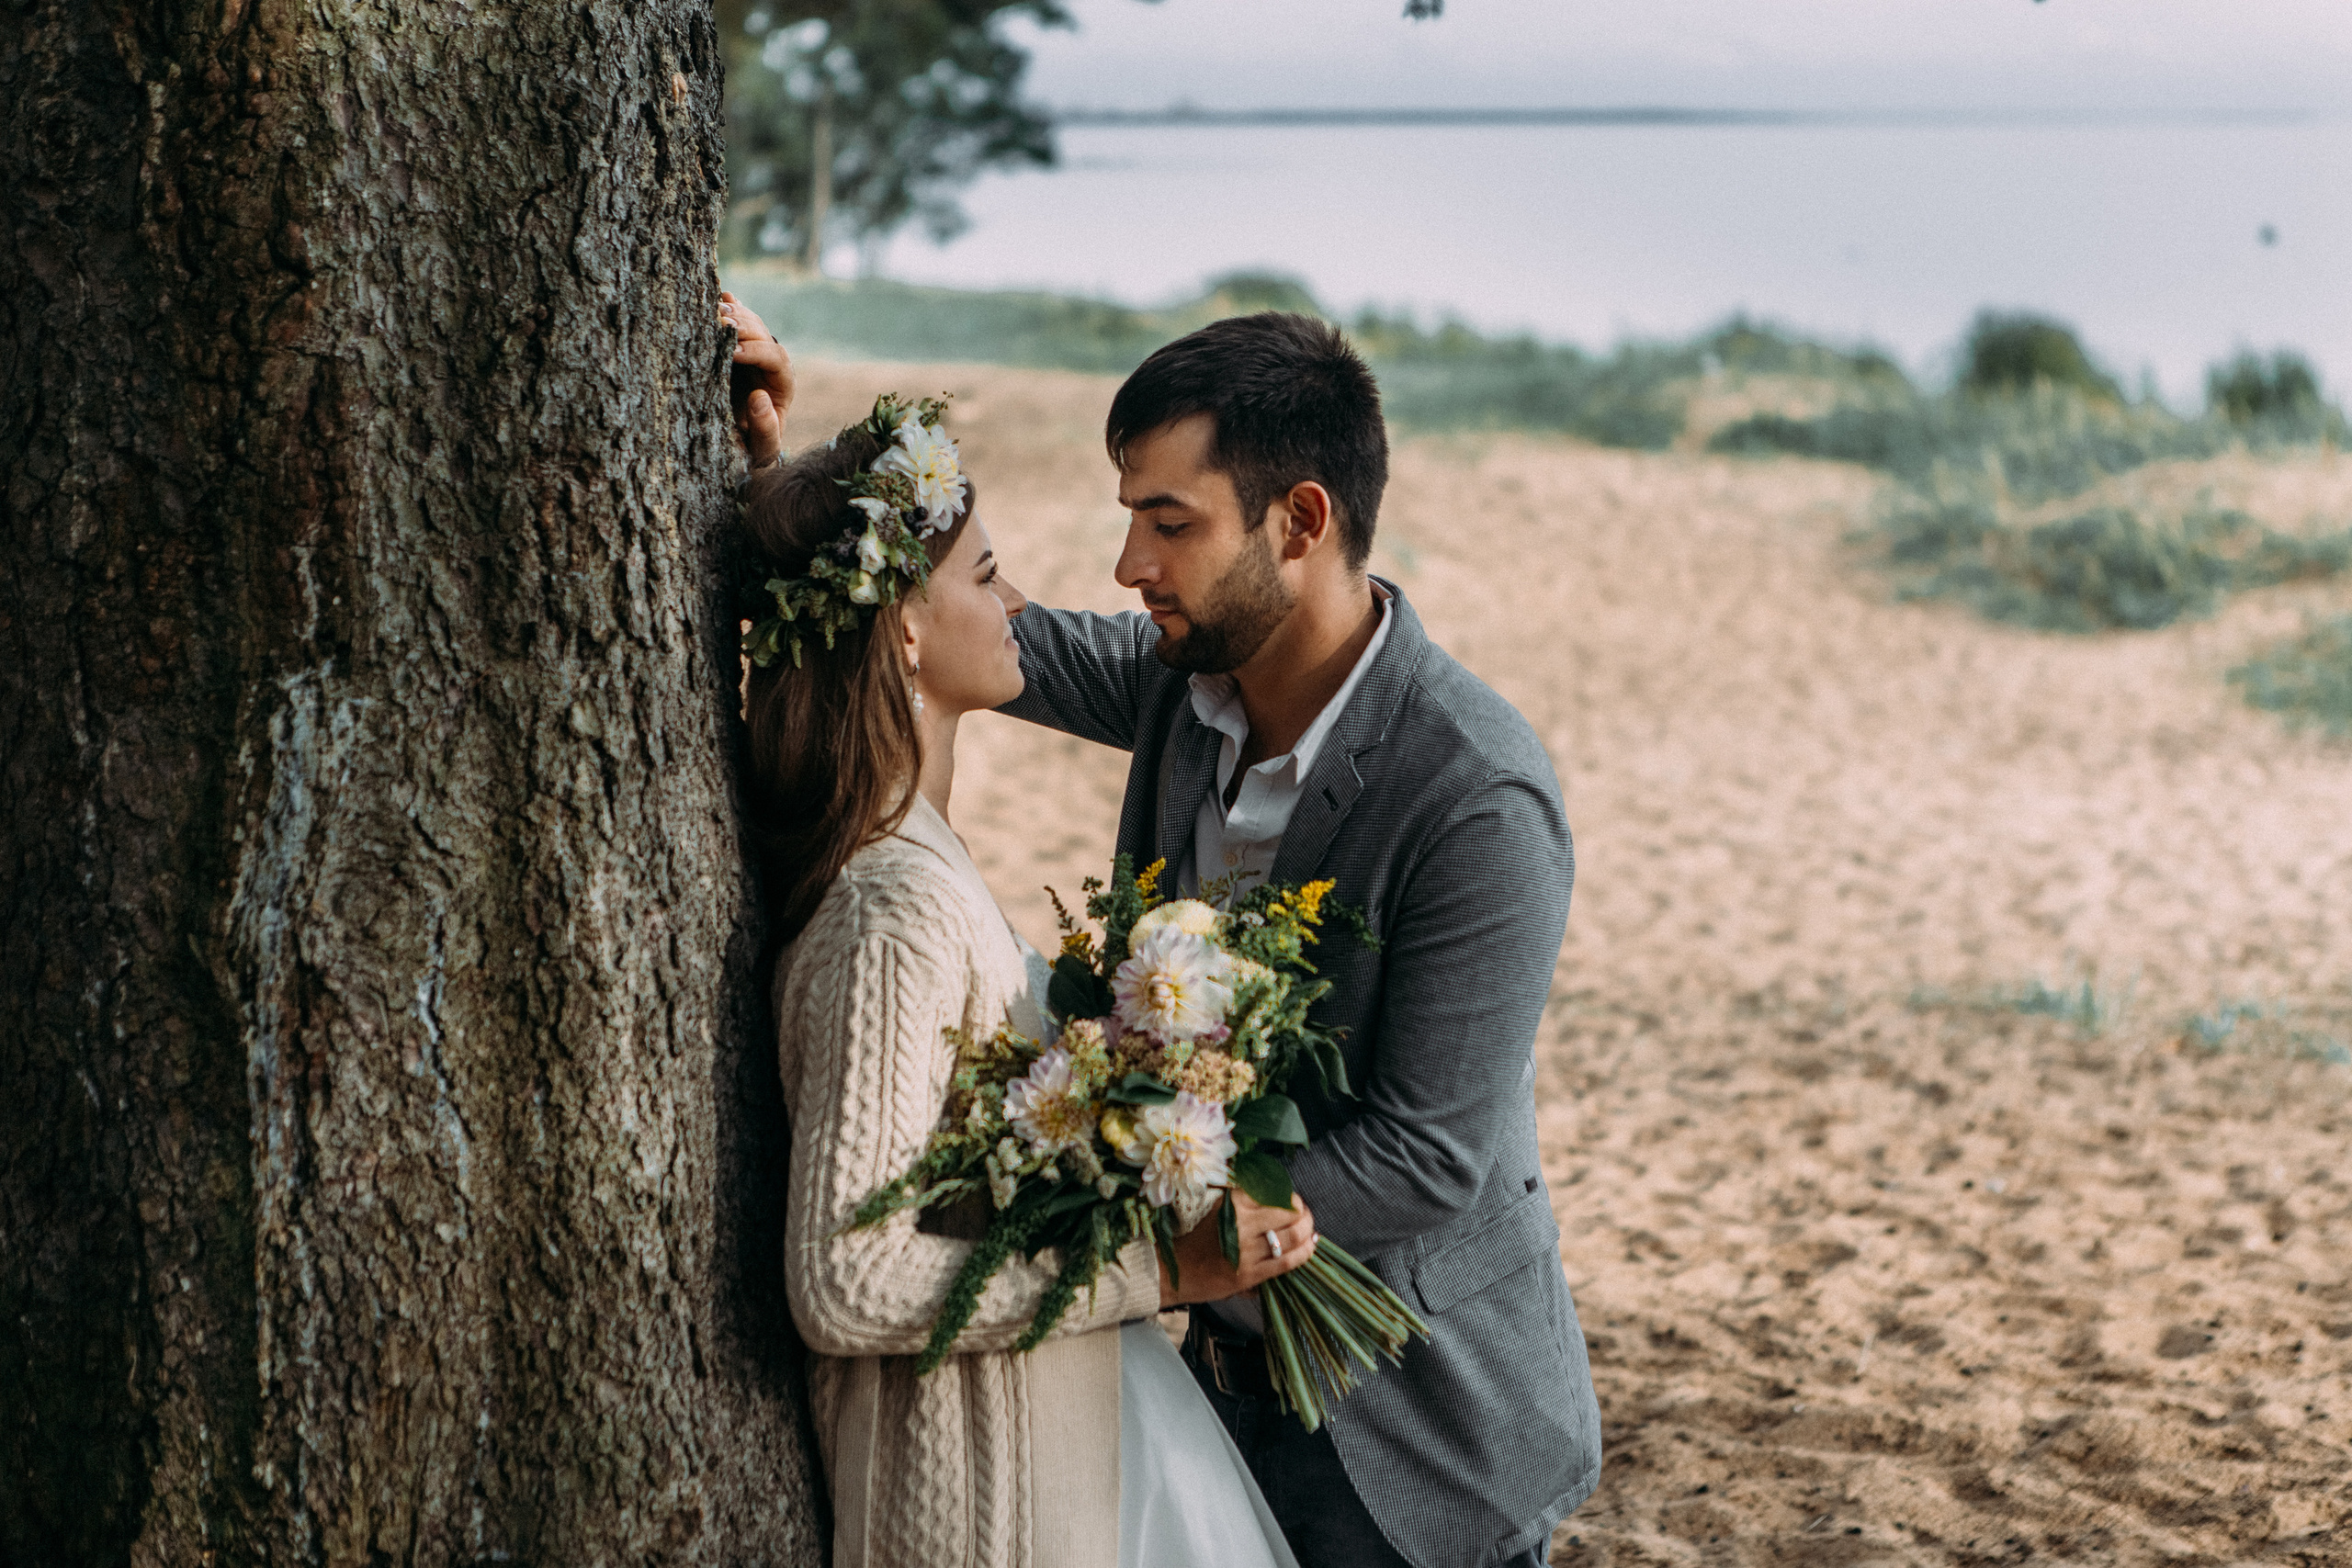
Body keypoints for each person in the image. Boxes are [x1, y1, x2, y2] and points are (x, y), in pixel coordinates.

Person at [726, 300, 1600, 1568]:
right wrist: (794, 481)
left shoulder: (1474, 791)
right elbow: (934, 626)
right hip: (1208, 1389)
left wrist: (1136, 1230)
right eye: (1131, 512)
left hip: (1419, 1430)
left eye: (1169, 522)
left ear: (1299, 523)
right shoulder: (1184, 683)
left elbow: (1425, 1158)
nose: (1131, 564)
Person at [736, 378, 1317, 1568]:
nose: (1018, 606)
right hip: (977, 1507)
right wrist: (1157, 1269)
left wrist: (772, 473)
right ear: (901, 624)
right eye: (986, 575)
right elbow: (842, 1279)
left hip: (1051, 1457)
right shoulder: (891, 912)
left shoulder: (921, 860)